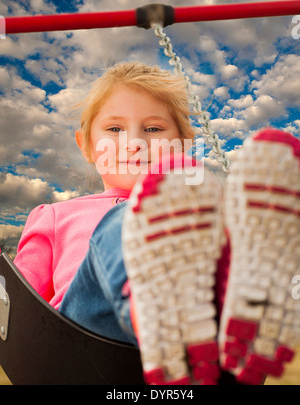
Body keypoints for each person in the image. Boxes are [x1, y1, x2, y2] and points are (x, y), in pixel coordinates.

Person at [13, 61, 300, 385]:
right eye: (114, 129)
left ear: (183, 143)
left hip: (197, 363)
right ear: (87, 145)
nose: (134, 142)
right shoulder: (55, 216)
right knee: (133, 216)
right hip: (77, 350)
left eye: (153, 129)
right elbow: (17, 307)